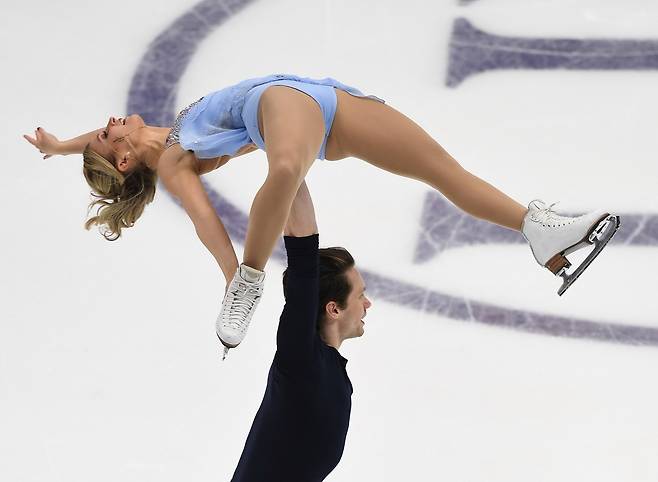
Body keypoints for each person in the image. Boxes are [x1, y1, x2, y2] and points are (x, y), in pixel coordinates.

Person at [23, 73, 620, 356]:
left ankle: (535, 230)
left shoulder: (153, 134)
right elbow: (207, 224)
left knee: (445, 171)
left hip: (333, 104)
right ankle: (252, 284)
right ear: (126, 159)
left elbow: (95, 148)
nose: (106, 123)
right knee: (284, 170)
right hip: (280, 106)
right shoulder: (176, 160)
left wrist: (61, 146)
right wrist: (236, 275)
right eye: (106, 135)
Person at [230, 180, 367, 482]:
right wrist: (290, 156)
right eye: (360, 296)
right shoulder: (301, 359)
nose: (367, 303)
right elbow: (303, 254)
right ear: (334, 309)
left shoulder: (332, 371)